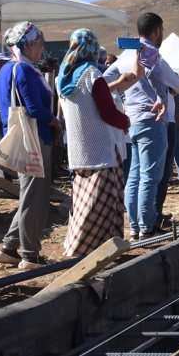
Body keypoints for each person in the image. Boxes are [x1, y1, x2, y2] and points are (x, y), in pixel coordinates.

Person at [56, 29, 139, 256]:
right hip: (101, 150)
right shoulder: (92, 74)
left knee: (82, 203)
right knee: (100, 205)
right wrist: (126, 121)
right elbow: (108, 113)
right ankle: (90, 249)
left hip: (78, 150)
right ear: (92, 48)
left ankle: (85, 246)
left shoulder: (61, 76)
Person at [105, 12, 179, 241]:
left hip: (132, 120)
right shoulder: (154, 55)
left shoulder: (123, 57)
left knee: (135, 175)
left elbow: (103, 82)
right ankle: (147, 226)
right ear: (157, 31)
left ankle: (135, 226)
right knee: (151, 176)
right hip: (153, 119)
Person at [0, 21, 62, 269]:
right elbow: (34, 109)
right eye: (41, 43)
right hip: (34, 138)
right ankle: (30, 254)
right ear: (29, 43)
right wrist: (55, 122)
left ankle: (9, 248)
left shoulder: (7, 69)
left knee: (28, 195)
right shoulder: (24, 69)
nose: (42, 48)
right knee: (36, 197)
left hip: (20, 136)